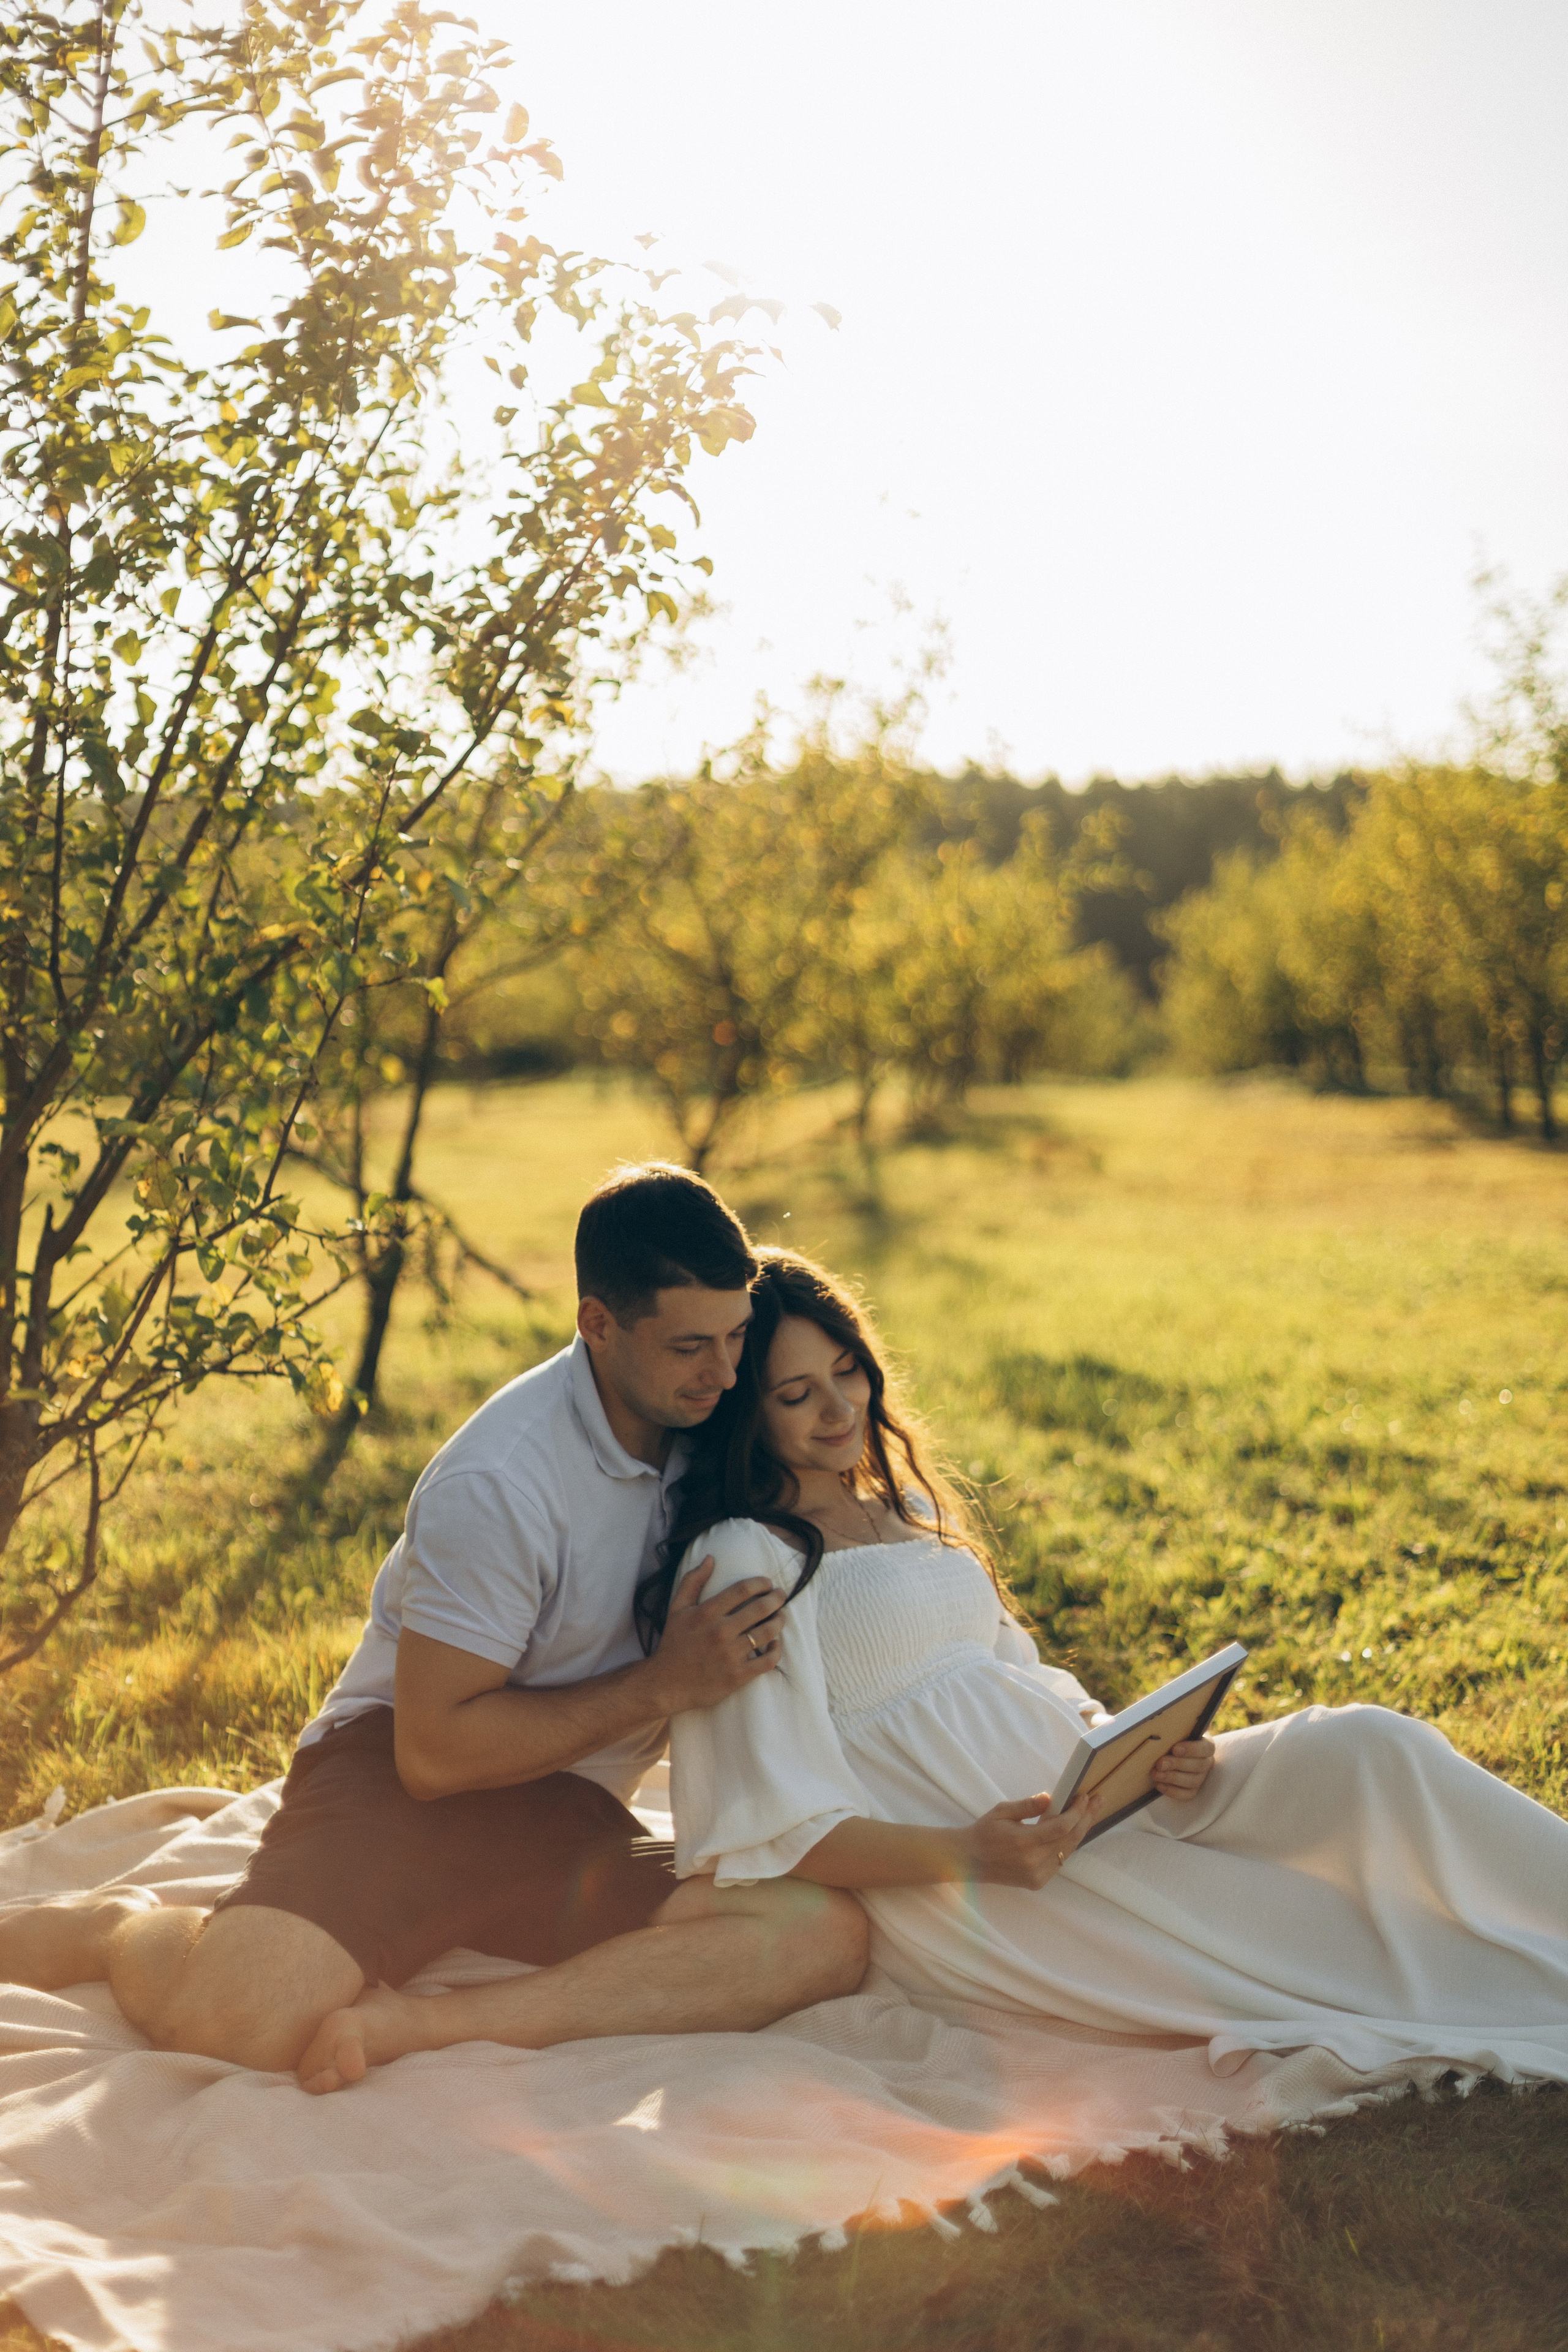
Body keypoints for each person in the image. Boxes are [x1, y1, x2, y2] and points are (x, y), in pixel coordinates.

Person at [0, 1176, 867, 2090]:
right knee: (236, 2024)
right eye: (692, 1346)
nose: (726, 1374)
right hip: (400, 1786)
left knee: (820, 1933)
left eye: (736, 1339)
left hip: (561, 1814)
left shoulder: (709, 1411)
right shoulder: (501, 1479)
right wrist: (664, 1685)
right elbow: (435, 1753)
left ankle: (425, 2023)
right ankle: (120, 1924)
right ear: (599, 1325)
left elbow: (841, 1453)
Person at [646, 1250, 1566, 2082]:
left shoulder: (907, 1503)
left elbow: (1029, 1678)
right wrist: (975, 1856)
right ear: (744, 1416)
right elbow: (770, 1834)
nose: (841, 1409)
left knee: (1367, 1746)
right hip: (984, 1885)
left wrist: (1143, 1750)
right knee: (1315, 1944)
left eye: (847, 1371)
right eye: (796, 1395)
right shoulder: (745, 1555)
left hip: (1104, 1802)